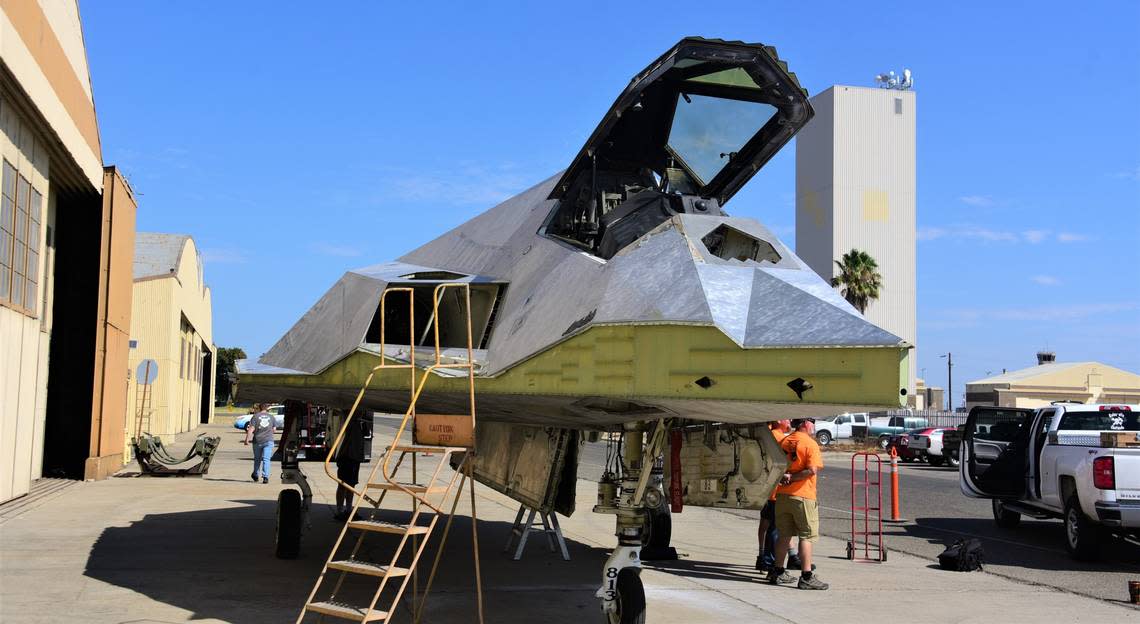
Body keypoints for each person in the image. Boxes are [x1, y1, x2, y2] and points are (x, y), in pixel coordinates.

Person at [767, 418, 828, 590]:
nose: (814, 426)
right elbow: (811, 470)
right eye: (812, 422)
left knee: (784, 535)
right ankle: (806, 576)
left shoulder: (784, 441)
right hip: (803, 496)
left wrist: (786, 476)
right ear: (806, 424)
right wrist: (793, 477)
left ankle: (777, 571)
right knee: (807, 536)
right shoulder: (810, 444)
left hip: (782, 495)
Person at [756, 419, 791, 571]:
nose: (789, 421)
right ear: (779, 420)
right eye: (787, 418)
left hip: (767, 489)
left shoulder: (768, 435)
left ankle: (763, 556)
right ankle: (770, 561)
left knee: (766, 523)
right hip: (776, 491)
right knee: (775, 527)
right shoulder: (780, 439)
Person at [333, 410, 366, 521]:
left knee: (351, 484)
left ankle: (348, 509)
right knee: (343, 484)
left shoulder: (358, 423)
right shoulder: (348, 421)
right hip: (346, 456)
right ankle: (340, 510)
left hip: (354, 457)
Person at [243, 403, 276, 484]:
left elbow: (251, 429)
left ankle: (256, 475)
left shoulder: (255, 416)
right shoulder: (272, 417)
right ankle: (265, 477)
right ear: (267, 408)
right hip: (268, 440)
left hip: (258, 441)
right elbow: (274, 429)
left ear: (259, 408)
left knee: (257, 459)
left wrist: (247, 439)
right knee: (266, 459)